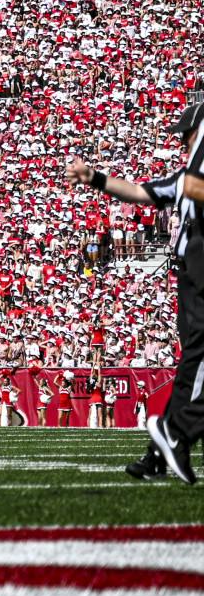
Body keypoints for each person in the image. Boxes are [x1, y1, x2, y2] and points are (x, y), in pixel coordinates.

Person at [68, 100, 204, 483]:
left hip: (193, 273)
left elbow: (148, 193)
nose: (184, 144)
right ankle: (175, 435)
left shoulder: (188, 178)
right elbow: (142, 192)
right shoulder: (189, 178)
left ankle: (157, 454)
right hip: (196, 271)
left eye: (188, 136)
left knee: (191, 368)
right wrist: (94, 177)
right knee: (198, 363)